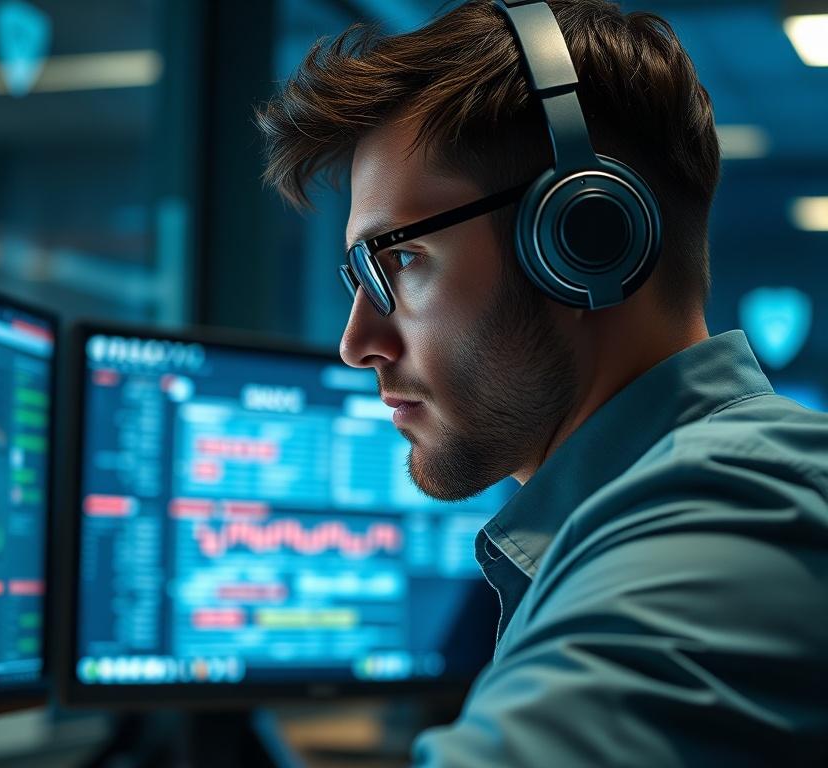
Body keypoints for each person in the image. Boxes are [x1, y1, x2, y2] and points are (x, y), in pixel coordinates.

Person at [256, 0, 828, 765]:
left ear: (584, 237)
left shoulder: (741, 510)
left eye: (397, 262)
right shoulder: (638, 516)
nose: (357, 342)